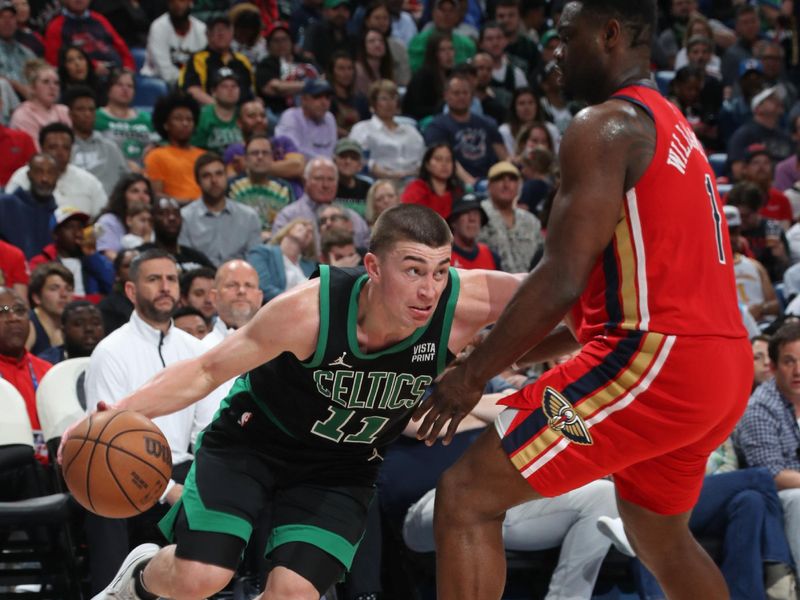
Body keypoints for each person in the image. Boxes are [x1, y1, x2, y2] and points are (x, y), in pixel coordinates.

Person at [413, 3, 753, 600]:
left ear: (610, 34)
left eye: (567, 37)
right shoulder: (676, 129)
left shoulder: (604, 124)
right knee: (659, 535)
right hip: (720, 367)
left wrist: (472, 376)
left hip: (657, 361)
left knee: (467, 493)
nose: (556, 50)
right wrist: (512, 358)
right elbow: (607, 303)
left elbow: (561, 278)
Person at [70, 203, 526, 600]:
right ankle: (138, 581)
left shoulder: (466, 300)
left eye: (440, 270)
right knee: (200, 577)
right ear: (373, 266)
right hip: (254, 443)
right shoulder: (310, 310)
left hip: (342, 466)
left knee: (294, 593)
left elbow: (562, 293)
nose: (430, 289)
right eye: (413, 270)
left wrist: (476, 370)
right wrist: (124, 411)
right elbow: (207, 369)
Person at [83, 248, 223, 595]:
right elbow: (105, 440)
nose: (165, 287)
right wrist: (167, 490)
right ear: (131, 291)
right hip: (124, 469)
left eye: (171, 279)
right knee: (100, 495)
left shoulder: (196, 349)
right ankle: (111, 591)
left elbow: (209, 431)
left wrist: (196, 483)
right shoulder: (110, 352)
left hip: (184, 469)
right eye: (154, 279)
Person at [734, 322, 800, 576]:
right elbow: (771, 474)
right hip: (776, 497)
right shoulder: (760, 408)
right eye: (789, 361)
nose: (798, 371)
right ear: (772, 367)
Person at [5, 122, 107, 218]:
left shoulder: (89, 181)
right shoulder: (22, 177)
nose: (60, 153)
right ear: (41, 148)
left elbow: (102, 218)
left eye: (66, 148)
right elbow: (8, 214)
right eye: (53, 147)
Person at [272, 157, 371, 254]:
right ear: (305, 181)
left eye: (331, 179)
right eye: (319, 179)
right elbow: (277, 256)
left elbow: (369, 255)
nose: (325, 185)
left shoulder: (354, 219)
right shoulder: (289, 216)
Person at [178, 153, 261, 267]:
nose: (214, 180)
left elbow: (256, 260)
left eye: (219, 174)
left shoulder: (249, 216)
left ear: (227, 176)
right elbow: (186, 262)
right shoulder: (184, 218)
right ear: (198, 181)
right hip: (200, 280)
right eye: (206, 176)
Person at [424, 73, 508, 184]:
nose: (461, 97)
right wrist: (470, 182)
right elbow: (444, 160)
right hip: (456, 183)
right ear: (446, 96)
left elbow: (504, 156)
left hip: (491, 180)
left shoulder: (488, 122)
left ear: (472, 96)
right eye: (456, 93)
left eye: (465, 93)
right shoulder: (437, 126)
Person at [0, 286, 52, 462]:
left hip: (47, 470)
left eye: (20, 310)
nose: (13, 318)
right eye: (2, 311)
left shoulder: (48, 371)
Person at [349, 79, 425, 181]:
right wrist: (387, 174)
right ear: (373, 103)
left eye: (393, 98)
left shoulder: (411, 130)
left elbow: (424, 159)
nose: (389, 103)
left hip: (413, 181)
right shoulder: (362, 129)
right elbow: (358, 160)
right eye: (384, 99)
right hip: (379, 182)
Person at [478, 160, 542, 272]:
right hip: (490, 284)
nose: (506, 185)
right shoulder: (477, 215)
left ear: (519, 186)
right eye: (499, 179)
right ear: (489, 185)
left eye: (512, 179)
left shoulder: (531, 221)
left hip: (528, 284)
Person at [65, 86, 129, 196]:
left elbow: (128, 181)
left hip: (109, 208)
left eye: (91, 109)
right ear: (70, 114)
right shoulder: (64, 148)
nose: (87, 114)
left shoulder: (111, 148)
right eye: (81, 109)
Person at [143, 91, 205, 203]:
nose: (185, 123)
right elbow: (156, 196)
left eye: (189, 119)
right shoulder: (156, 156)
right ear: (166, 125)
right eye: (178, 119)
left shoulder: (203, 156)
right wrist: (190, 204)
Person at [179, 15, 254, 106]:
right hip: (211, 110)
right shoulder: (198, 59)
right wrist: (221, 108)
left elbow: (251, 91)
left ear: (232, 33)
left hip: (244, 112)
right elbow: (193, 90)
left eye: (225, 29)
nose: (221, 33)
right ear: (207, 34)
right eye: (216, 30)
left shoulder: (243, 60)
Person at [44, 0, 135, 75]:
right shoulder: (56, 26)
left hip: (115, 74)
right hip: (84, 79)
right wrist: (92, 67)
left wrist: (128, 68)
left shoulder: (99, 19)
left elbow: (121, 47)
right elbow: (55, 63)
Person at [228, 134, 295, 233]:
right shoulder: (232, 186)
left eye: (265, 153)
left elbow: (292, 224)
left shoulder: (285, 189)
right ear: (246, 159)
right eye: (255, 153)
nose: (260, 157)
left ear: (272, 158)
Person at [94, 69, 158, 170]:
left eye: (130, 86)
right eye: (119, 85)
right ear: (108, 89)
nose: (125, 89)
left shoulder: (146, 119)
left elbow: (158, 144)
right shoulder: (96, 117)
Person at [0, 153, 58, 259]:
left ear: (57, 176)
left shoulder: (60, 215)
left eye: (50, 173)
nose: (45, 178)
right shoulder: (5, 205)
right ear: (28, 174)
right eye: (39, 172)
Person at [248, 217, 317, 303]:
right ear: (288, 229)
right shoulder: (262, 253)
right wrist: (298, 301)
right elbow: (263, 288)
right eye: (303, 225)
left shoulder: (310, 266)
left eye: (311, 232)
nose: (308, 229)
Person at [140, 196, 214, 274]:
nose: (172, 218)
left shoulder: (195, 257)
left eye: (176, 213)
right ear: (152, 221)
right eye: (164, 213)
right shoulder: (142, 255)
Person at [142, 0, 207, 86]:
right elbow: (164, 70)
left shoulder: (201, 29)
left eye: (182, 1)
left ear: (190, 2)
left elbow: (205, 64)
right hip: (157, 80)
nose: (177, 4)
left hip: (193, 85)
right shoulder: (158, 27)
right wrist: (189, 83)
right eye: (173, 1)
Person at [9, 60, 70, 149]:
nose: (52, 87)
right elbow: (35, 151)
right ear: (33, 87)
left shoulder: (64, 110)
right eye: (45, 82)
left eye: (56, 83)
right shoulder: (22, 115)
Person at [274, 78, 338, 160]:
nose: (324, 102)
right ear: (304, 99)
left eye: (327, 98)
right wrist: (324, 162)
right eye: (317, 97)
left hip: (327, 169)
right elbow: (291, 153)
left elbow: (333, 151)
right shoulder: (291, 117)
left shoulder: (330, 118)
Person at [95, 174, 154, 262]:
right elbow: (107, 255)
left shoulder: (153, 221)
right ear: (122, 195)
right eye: (135, 191)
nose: (142, 197)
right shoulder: (103, 222)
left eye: (146, 192)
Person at [401, 143, 464, 219]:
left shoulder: (458, 191)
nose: (444, 164)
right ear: (427, 164)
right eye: (438, 159)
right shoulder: (416, 190)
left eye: (448, 160)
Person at [25, 262, 74, 356]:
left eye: (68, 289)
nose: (64, 295)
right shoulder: (29, 326)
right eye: (54, 289)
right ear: (37, 297)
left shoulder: (73, 325)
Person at [37, 299, 104, 364]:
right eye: (79, 323)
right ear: (63, 331)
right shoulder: (46, 362)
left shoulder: (111, 357)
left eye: (95, 323)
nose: (89, 329)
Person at [448, 193, 500, 270]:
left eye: (476, 213)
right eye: (465, 212)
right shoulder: (442, 256)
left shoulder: (492, 257)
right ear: (453, 222)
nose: (472, 218)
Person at [98, 248, 136, 335]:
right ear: (117, 275)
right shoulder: (108, 307)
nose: (135, 268)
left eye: (138, 264)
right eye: (127, 265)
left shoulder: (155, 301)